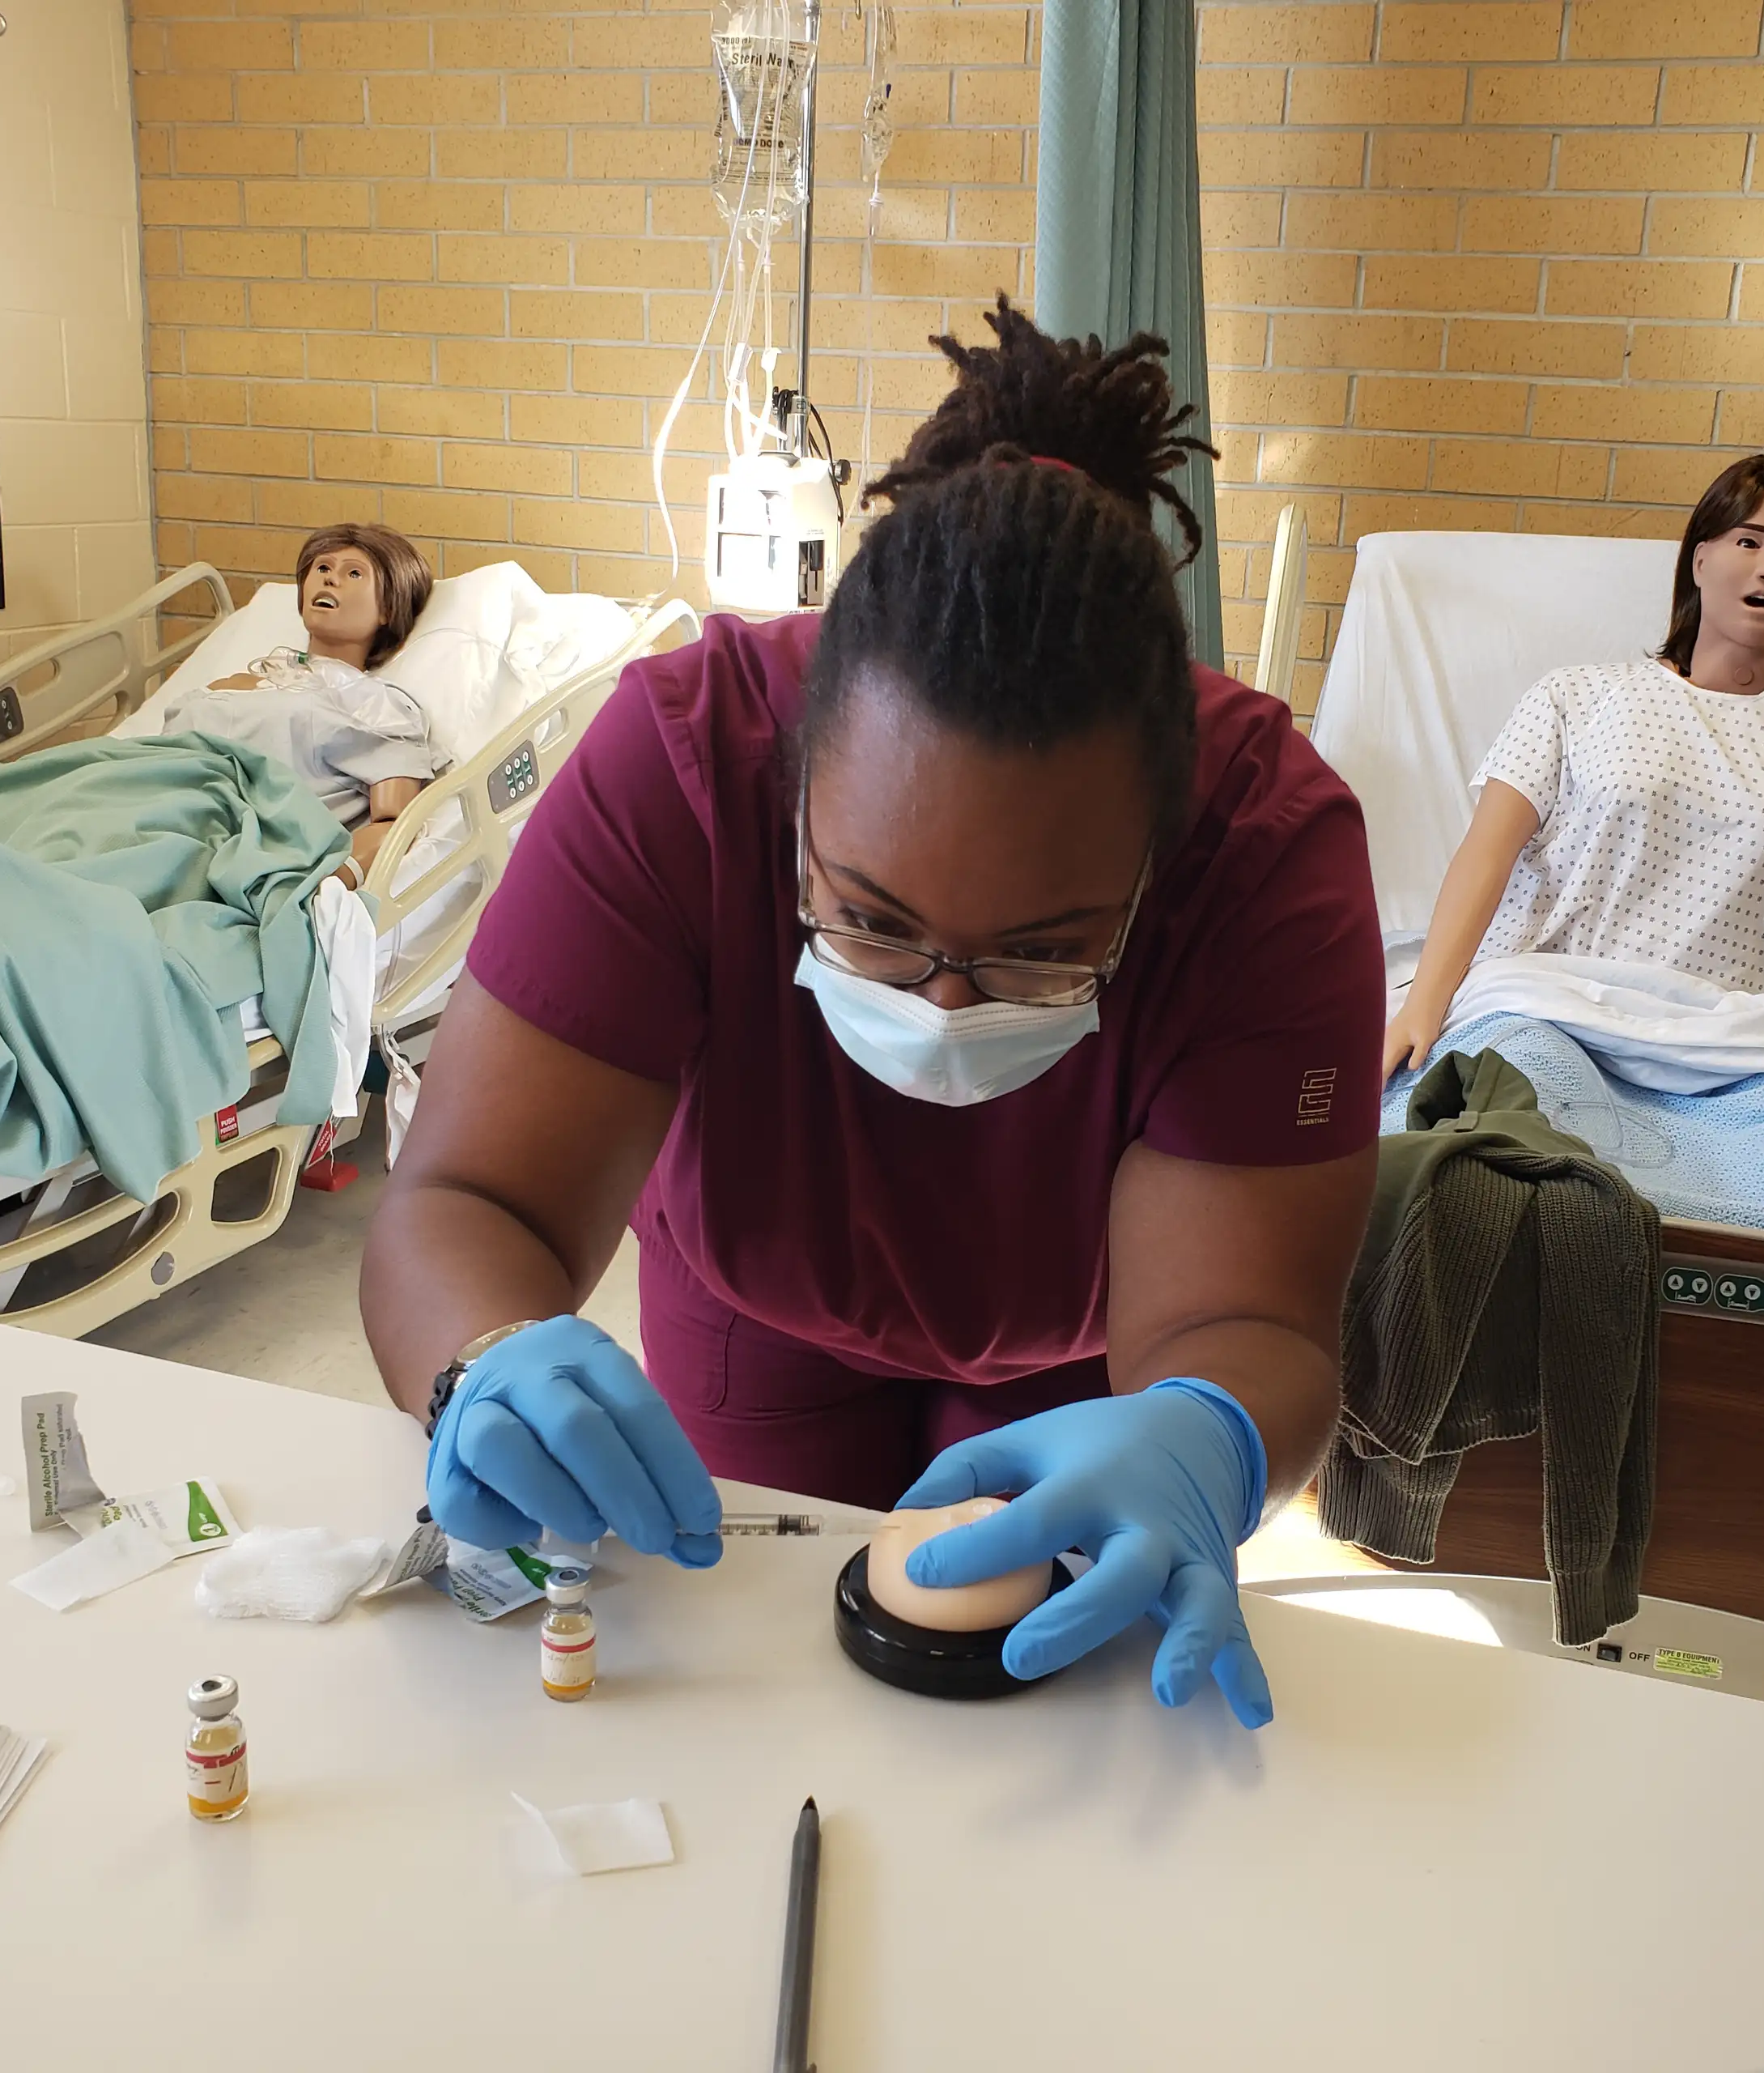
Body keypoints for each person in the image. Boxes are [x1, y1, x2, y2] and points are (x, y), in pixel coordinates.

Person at [360, 300, 1385, 1727]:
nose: (945, 1004)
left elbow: (1247, 1321)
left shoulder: (1269, 855)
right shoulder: (676, 771)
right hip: (756, 1298)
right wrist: (481, 1360)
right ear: (791, 799)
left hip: (1099, 1363)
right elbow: (465, 1199)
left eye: (1045, 952)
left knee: (1017, 1722)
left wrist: (1204, 1434)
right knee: (761, 1689)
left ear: (1166, 850)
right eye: (871, 920)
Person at [1384, 453, 1764, 1126]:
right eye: (1749, 540)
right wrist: (1422, 1005)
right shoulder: (1574, 700)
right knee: (1510, 1135)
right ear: (1701, 562)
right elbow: (1484, 859)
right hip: (1558, 1010)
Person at [156, 523, 440, 883]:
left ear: (388, 608)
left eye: (353, 573)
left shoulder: (374, 705)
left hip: (213, 848)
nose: (330, 580)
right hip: (147, 802)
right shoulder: (234, 681)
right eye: (323, 568)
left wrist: (320, 886)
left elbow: (395, 825)